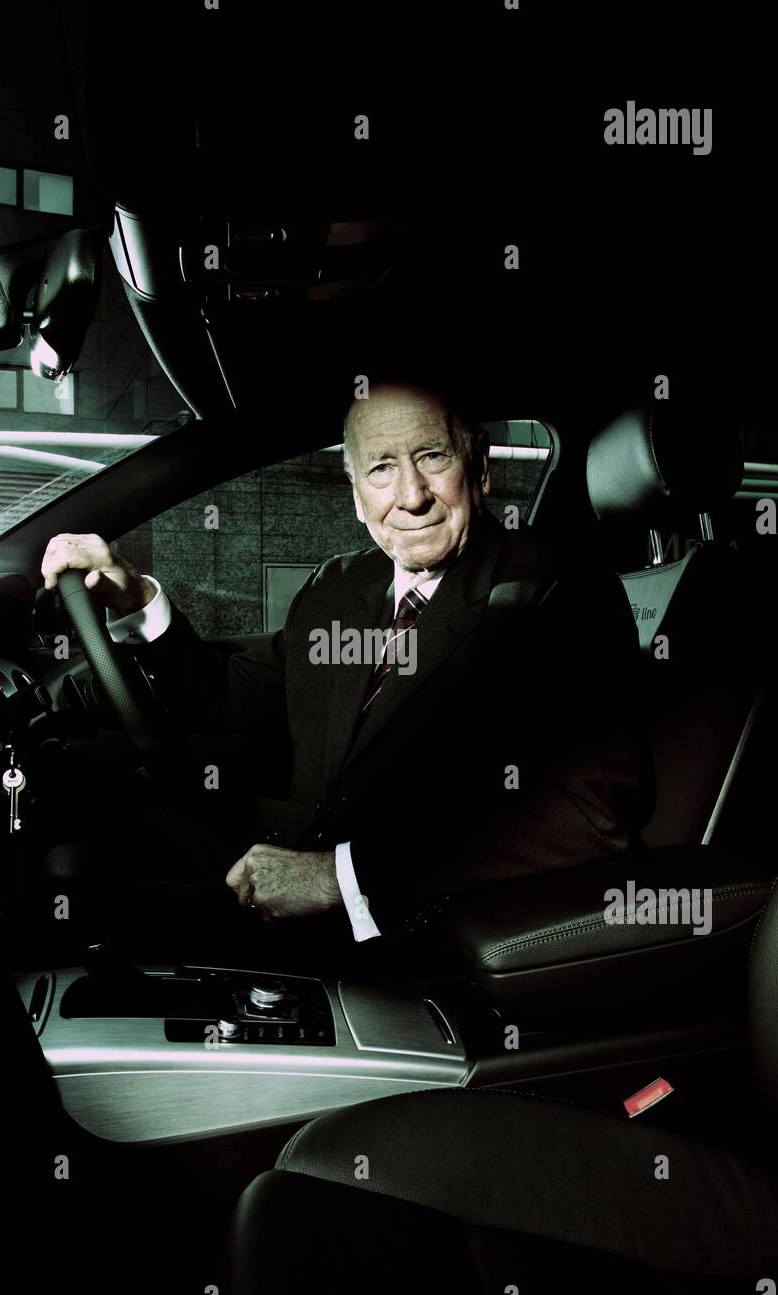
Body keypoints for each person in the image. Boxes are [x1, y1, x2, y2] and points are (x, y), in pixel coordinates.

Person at [41, 379, 650, 979]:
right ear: (357, 495)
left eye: (433, 458)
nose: (412, 496)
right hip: (288, 910)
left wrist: (342, 877)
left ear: (480, 470)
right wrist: (135, 596)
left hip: (430, 949)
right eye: (382, 468)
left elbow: (587, 813)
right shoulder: (336, 589)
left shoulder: (556, 595)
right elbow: (227, 699)